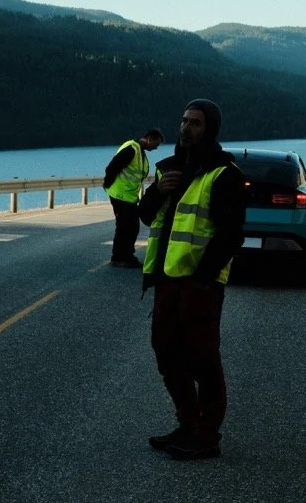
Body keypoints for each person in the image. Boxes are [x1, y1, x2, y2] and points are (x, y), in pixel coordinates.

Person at [138, 100, 245, 461]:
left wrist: (202, 279)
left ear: (209, 129)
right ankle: (188, 423)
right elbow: (146, 215)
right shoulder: (168, 169)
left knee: (202, 358)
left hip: (200, 285)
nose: (186, 128)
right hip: (167, 281)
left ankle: (207, 435)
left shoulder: (223, 174)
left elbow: (231, 235)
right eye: (183, 120)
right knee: (166, 353)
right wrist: (157, 192)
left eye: (195, 123)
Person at [102, 128, 164, 268]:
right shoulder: (131, 149)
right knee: (126, 226)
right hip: (120, 195)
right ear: (149, 139)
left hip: (128, 196)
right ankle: (119, 257)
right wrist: (107, 184)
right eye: (156, 144)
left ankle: (126, 255)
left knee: (131, 227)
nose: (156, 148)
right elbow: (112, 167)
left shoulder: (139, 151)